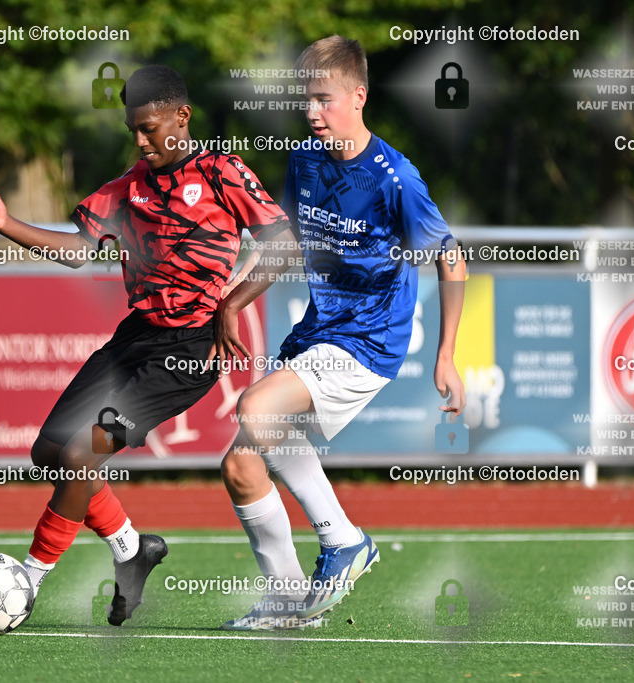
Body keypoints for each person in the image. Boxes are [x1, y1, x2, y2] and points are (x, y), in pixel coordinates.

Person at [0, 65, 291, 626]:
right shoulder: (129, 187)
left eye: (149, 128)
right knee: (49, 452)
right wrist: (4, 223)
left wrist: (232, 304)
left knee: (81, 454)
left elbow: (284, 243)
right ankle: (130, 549)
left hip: (187, 355)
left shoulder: (221, 170)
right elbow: (77, 249)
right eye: (132, 130)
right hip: (135, 339)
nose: (140, 140)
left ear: (181, 117)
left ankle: (28, 581)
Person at [212, 35, 467, 630]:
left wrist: (447, 356)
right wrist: (232, 301)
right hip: (321, 329)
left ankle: (345, 540)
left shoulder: (395, 177)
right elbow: (288, 245)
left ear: (359, 96)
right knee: (242, 467)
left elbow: (450, 258)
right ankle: (288, 602)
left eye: (323, 99)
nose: (311, 111)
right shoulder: (305, 160)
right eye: (306, 99)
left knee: (256, 406)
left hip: (370, 338)